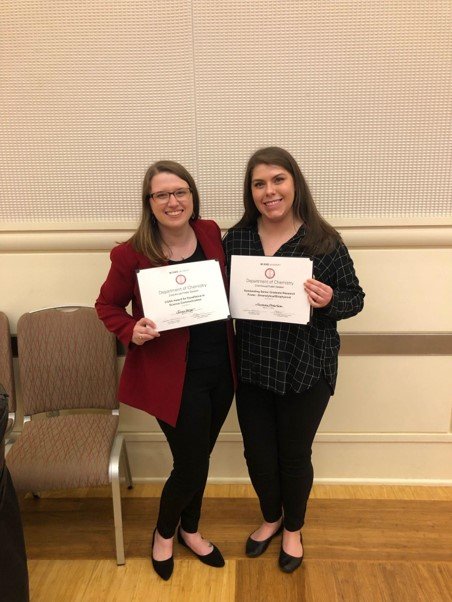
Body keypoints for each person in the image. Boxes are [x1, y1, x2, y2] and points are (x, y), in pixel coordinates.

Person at [223, 147, 364, 573]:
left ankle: (293, 528)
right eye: (259, 184)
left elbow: (355, 298)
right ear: (251, 192)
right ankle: (271, 517)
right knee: (257, 454)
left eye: (278, 180)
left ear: (294, 183)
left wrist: (330, 299)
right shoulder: (237, 239)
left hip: (307, 367)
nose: (270, 191)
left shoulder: (324, 240)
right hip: (251, 367)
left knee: (294, 455)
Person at [96, 160, 236, 580]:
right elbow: (106, 306)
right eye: (162, 195)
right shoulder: (130, 252)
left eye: (181, 192)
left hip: (221, 370)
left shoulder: (210, 232)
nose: (173, 202)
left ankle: (190, 529)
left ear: (192, 196)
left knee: (200, 456)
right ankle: (164, 533)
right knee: (191, 463)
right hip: (171, 378)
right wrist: (130, 328)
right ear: (149, 202)